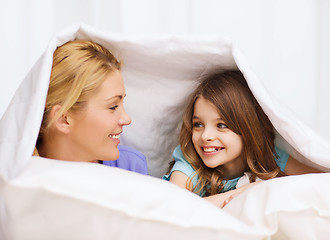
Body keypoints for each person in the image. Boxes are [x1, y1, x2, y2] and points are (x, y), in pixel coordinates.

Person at [163, 70, 322, 207]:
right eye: (198, 124)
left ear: (247, 129)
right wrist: (245, 192)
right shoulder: (190, 162)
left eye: (221, 125)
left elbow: (321, 180)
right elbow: (175, 206)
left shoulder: (269, 157)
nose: (205, 136)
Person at [33, 40, 148, 175]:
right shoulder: (17, 180)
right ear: (63, 119)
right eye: (113, 107)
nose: (127, 119)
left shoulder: (131, 167)